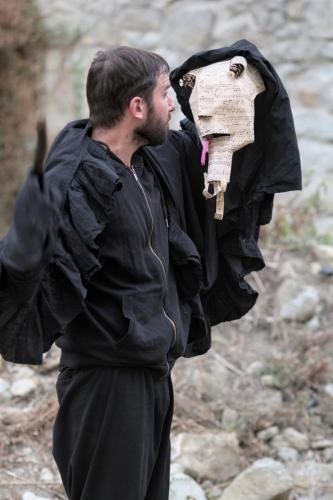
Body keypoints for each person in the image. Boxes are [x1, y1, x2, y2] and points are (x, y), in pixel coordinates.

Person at [0, 42, 302, 499]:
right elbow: (28, 270)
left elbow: (222, 146)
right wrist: (24, 248)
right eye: (165, 94)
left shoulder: (151, 162)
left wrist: (239, 85)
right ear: (136, 107)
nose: (172, 104)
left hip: (153, 377)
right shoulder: (76, 182)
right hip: (106, 390)